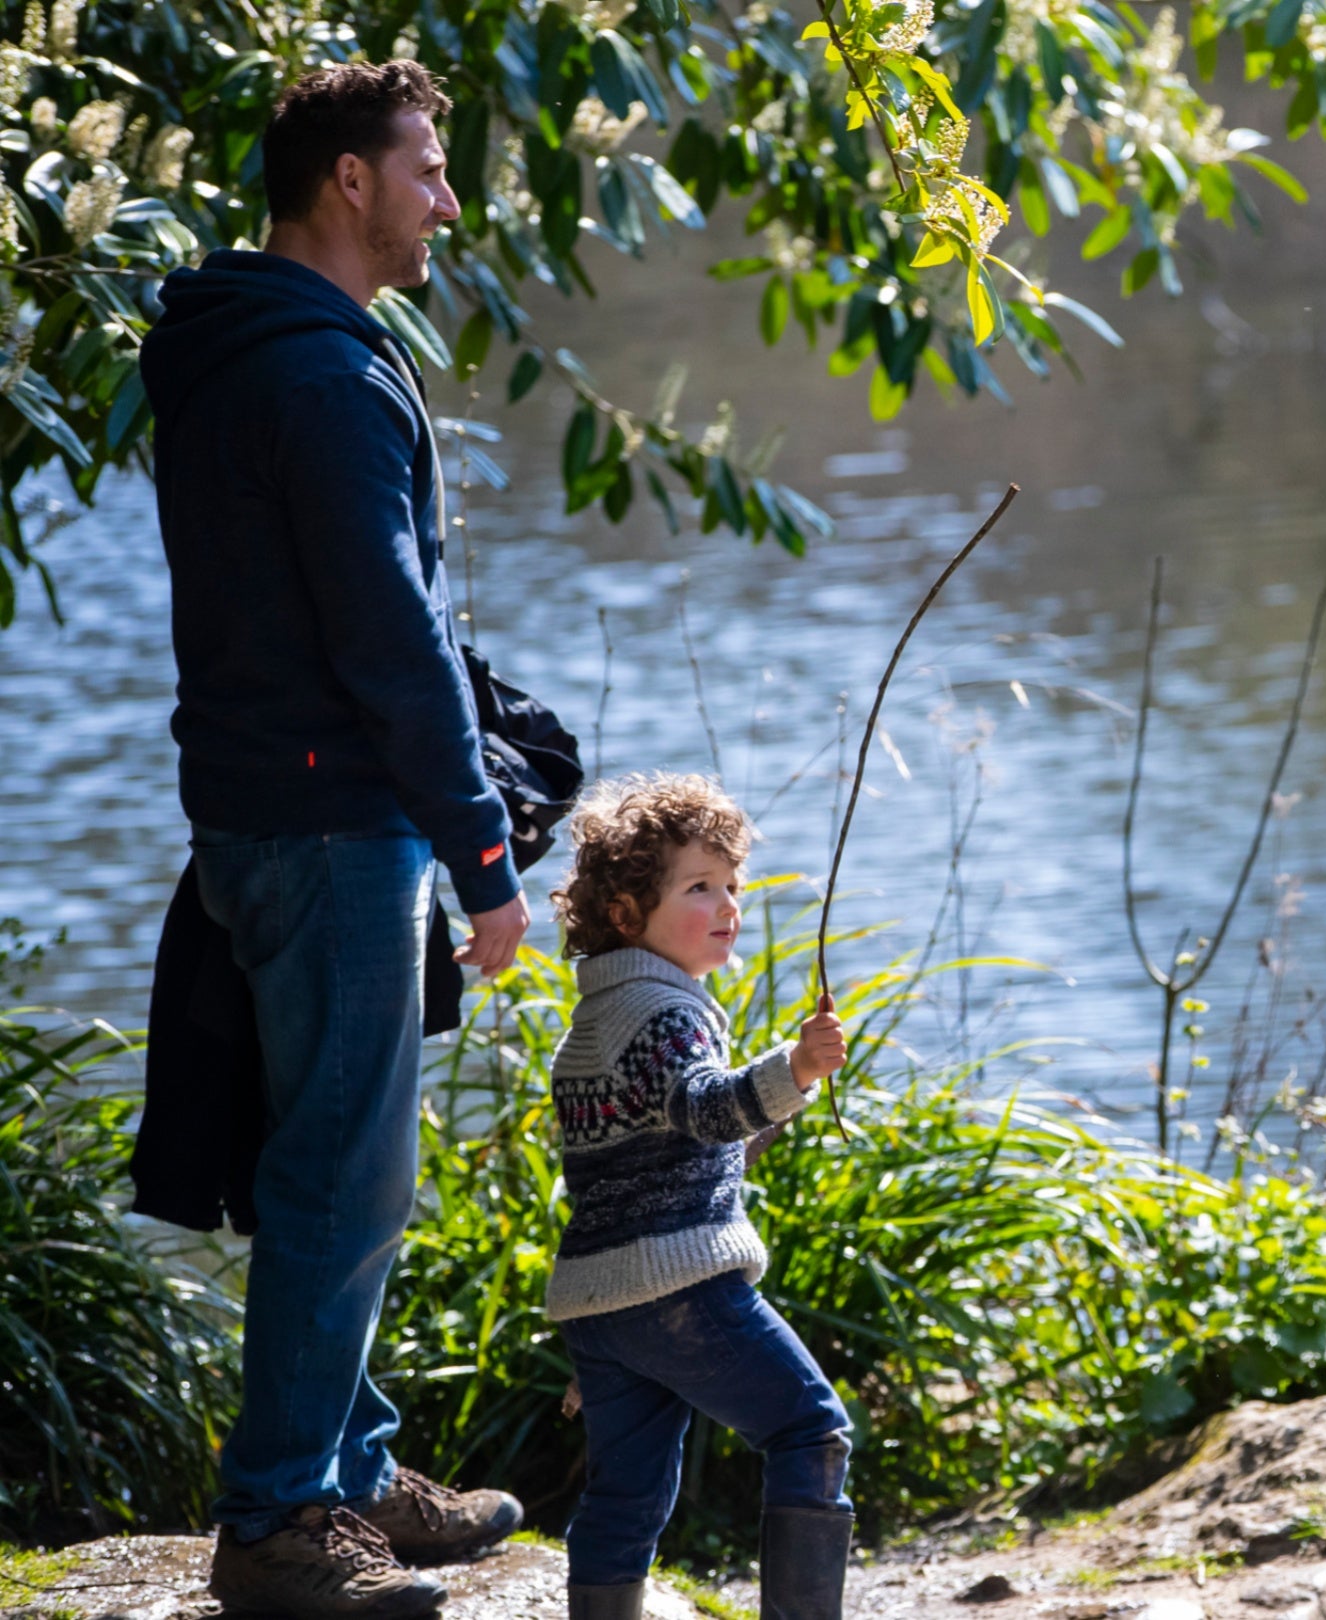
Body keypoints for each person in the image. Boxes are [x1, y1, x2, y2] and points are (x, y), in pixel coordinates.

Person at [139, 60, 535, 1620]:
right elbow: (390, 633)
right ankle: (284, 1524)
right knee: (343, 1181)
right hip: (329, 818)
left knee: (344, 1160)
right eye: (426, 167)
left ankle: (350, 1467)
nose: (447, 197)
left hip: (259, 804)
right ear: (347, 185)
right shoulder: (318, 375)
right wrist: (487, 853)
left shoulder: (243, 347)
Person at [542, 775, 854, 1620]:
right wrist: (795, 1070)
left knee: (628, 1497)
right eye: (698, 888)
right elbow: (704, 1106)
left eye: (733, 887)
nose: (728, 908)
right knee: (809, 1430)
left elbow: (647, 1155)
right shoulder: (663, 1013)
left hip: (603, 1302)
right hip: (678, 1287)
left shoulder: (594, 1022)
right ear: (624, 915)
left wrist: (767, 1118)